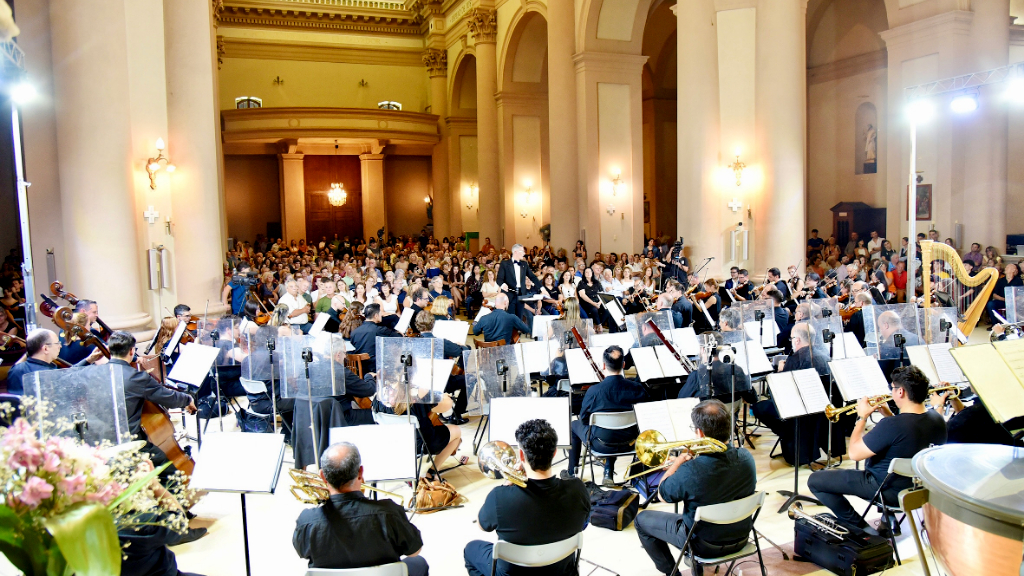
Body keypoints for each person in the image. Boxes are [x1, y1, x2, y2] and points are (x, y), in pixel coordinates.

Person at [808, 366, 946, 531]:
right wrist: (889, 415)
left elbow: (855, 453)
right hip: (922, 490)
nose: (891, 392)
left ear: (900, 392)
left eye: (892, 388)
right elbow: (906, 436)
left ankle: (862, 530)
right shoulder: (938, 419)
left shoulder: (892, 425)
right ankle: (887, 520)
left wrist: (862, 417)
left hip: (886, 490)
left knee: (815, 481)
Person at [634, 400, 757, 576]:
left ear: (699, 432)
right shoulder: (746, 457)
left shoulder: (691, 470)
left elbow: (662, 494)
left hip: (702, 545)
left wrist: (677, 463)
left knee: (641, 520)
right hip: (741, 537)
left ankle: (673, 573)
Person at [464, 419, 591, 576]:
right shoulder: (578, 489)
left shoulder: (499, 497)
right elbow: (583, 524)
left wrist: (507, 483)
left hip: (513, 573)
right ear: (554, 453)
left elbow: (482, 525)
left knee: (471, 549)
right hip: (562, 571)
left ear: (521, 455)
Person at [292, 442, 428, 576]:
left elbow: (301, 552)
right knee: (418, 563)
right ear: (360, 472)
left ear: (322, 476)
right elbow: (415, 551)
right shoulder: (389, 513)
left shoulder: (306, 522)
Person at [563, 346, 647, 485]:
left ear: (603, 365)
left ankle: (572, 472)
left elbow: (584, 419)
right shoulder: (637, 388)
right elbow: (645, 415)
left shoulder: (594, 391)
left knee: (574, 425)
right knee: (615, 429)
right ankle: (608, 470)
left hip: (600, 444)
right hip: (631, 443)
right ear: (624, 365)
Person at [4, 328, 103, 394]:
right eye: (57, 343)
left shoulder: (15, 370)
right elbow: (70, 376)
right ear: (45, 348)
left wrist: (89, 359)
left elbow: (69, 373)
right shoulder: (49, 375)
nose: (60, 346)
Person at [415, 311, 469, 425]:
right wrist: (461, 345)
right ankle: (457, 414)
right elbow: (463, 351)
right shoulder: (441, 342)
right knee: (471, 379)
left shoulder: (412, 342)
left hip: (420, 384)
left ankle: (440, 412)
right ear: (433, 324)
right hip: (441, 382)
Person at [350, 304, 401, 374]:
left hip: (359, 369)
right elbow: (399, 339)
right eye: (380, 313)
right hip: (376, 368)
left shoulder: (354, 332)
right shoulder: (379, 330)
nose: (382, 315)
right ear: (376, 316)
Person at [496, 243, 540, 318]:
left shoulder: (524, 264)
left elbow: (532, 277)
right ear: (515, 252)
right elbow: (499, 279)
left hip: (521, 295)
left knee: (519, 317)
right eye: (522, 251)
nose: (524, 253)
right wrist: (503, 285)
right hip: (510, 294)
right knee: (510, 317)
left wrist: (541, 288)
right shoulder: (504, 263)